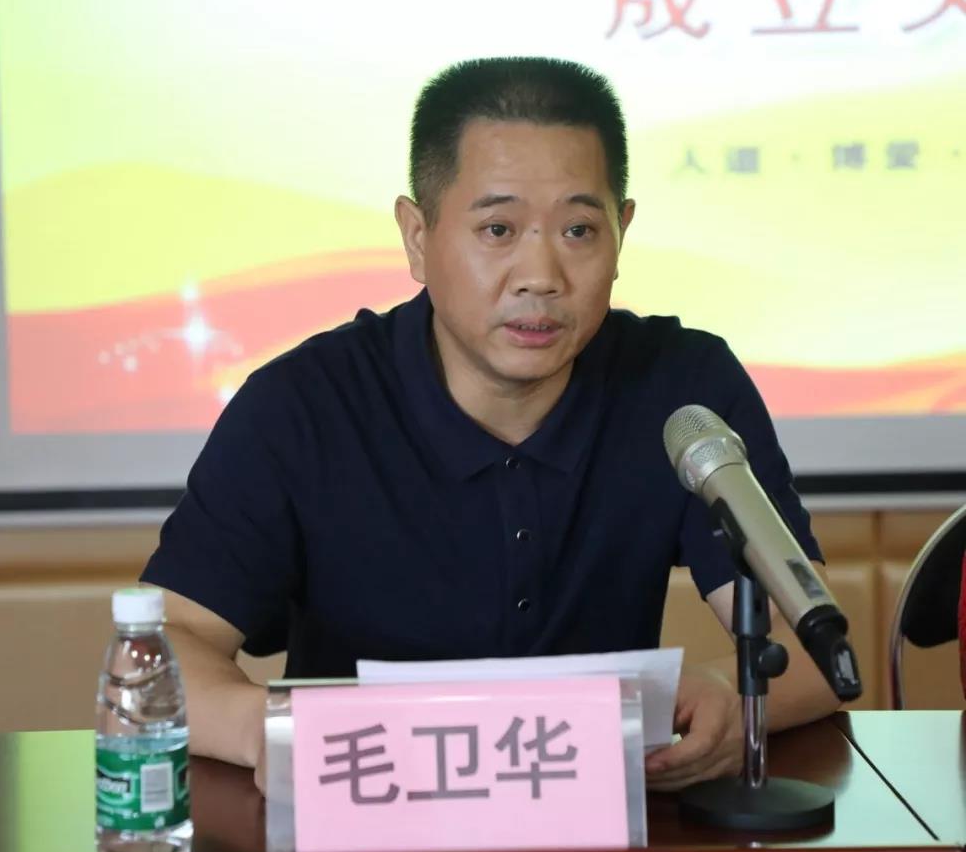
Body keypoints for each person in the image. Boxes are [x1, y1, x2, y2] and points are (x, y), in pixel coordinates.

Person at [141, 56, 841, 793]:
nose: (541, 275)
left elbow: (815, 639)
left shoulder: (683, 392)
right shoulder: (304, 405)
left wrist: (736, 697)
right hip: (362, 820)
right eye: (498, 229)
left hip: (601, 826)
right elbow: (166, 646)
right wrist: (266, 729)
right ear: (418, 236)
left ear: (622, 231)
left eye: (579, 229)